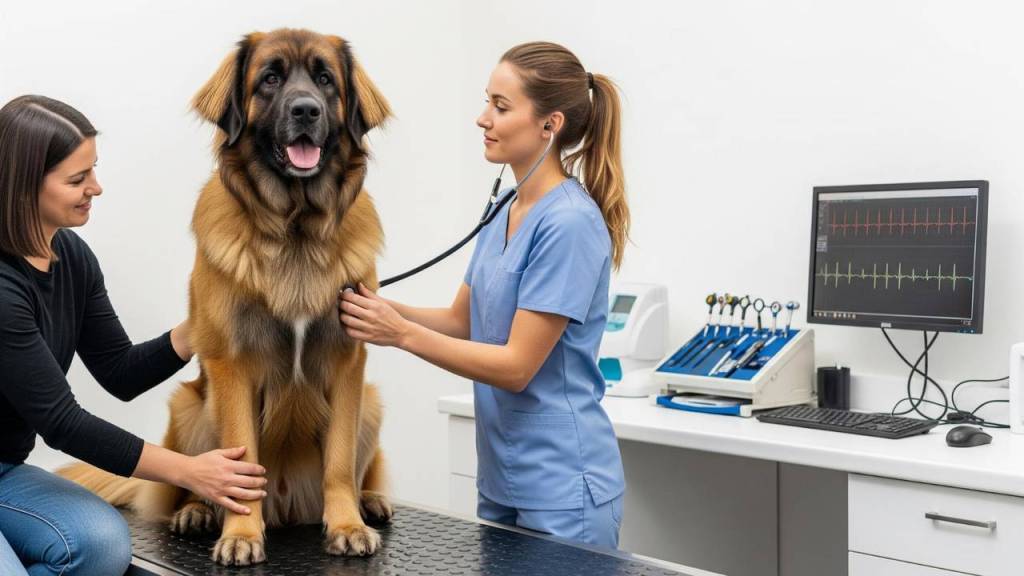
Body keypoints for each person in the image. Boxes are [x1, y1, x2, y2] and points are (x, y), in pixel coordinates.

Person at [340, 42, 630, 548]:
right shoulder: (507, 210)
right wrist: (375, 307)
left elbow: (517, 366)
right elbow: (463, 319)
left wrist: (400, 334)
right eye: (486, 103)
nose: (482, 119)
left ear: (550, 124)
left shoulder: (570, 224)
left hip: (562, 486)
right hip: (502, 478)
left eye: (500, 106)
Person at [0, 95, 268, 576]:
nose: (96, 189)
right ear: (22, 186)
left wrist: (201, 326)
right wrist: (189, 470)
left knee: (102, 547)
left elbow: (120, 372)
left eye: (93, 171)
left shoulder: (71, 256)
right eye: (77, 179)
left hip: (4, 474)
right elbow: (62, 423)